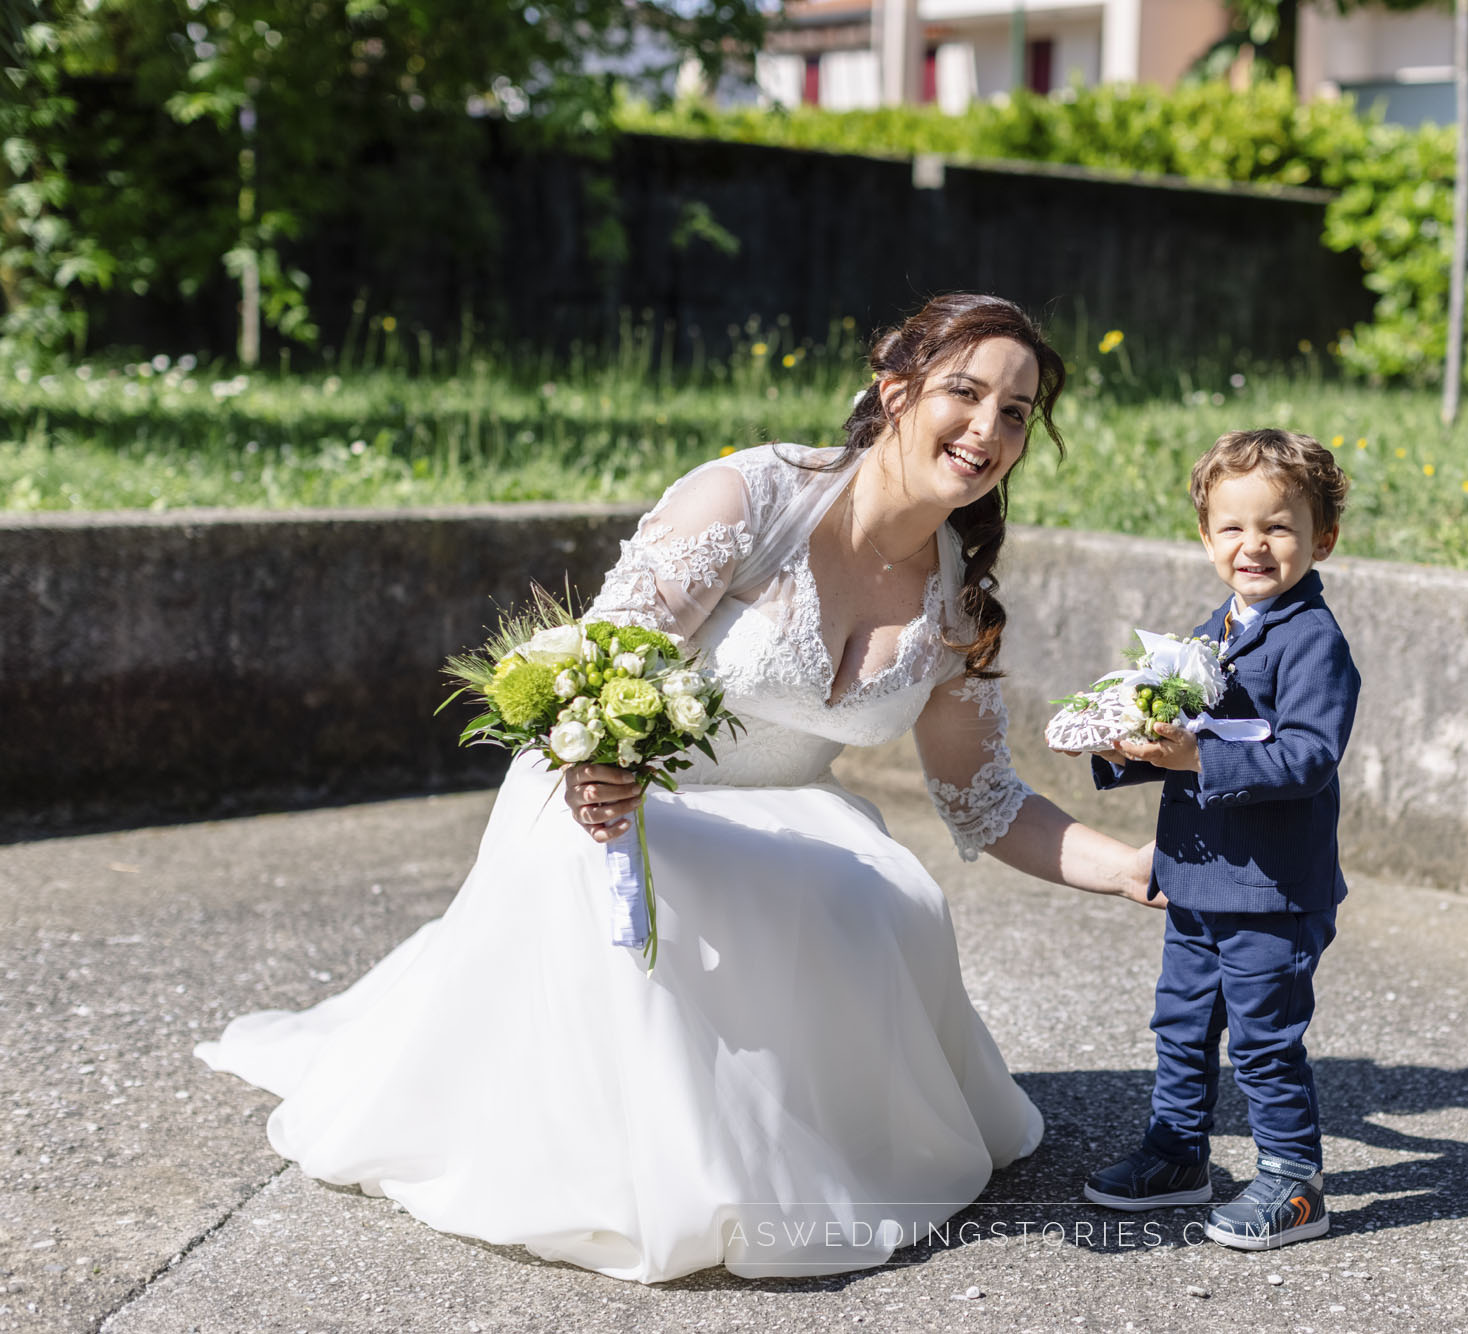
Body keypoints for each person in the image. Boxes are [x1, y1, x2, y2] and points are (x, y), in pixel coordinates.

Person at [196, 294, 1158, 1282]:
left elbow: (984, 799)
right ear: (893, 386)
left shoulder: (958, 600)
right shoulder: (751, 498)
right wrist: (595, 769)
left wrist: (1129, 866)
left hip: (782, 813)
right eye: (965, 392)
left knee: (884, 893)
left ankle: (810, 1140)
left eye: (1015, 411)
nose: (988, 427)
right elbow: (598, 668)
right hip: (611, 790)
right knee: (700, 889)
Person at [1075, 428, 1360, 1252]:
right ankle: (1178, 1153)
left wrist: (1201, 754)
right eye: (1233, 528)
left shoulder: (1312, 639)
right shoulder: (1215, 629)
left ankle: (1293, 1180)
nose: (1254, 545)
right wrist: (1125, 743)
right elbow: (1189, 734)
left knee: (1265, 1037)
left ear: (1321, 539)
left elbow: (1307, 755)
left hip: (1272, 888)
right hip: (1200, 876)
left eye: (1277, 527)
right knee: (1183, 1021)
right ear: (1206, 537)